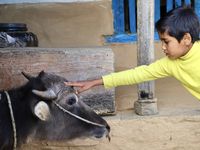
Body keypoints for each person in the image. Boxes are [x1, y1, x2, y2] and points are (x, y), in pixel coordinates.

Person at [65, 6, 200, 100]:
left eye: (167, 41)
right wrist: (95, 82)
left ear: (186, 39)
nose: (163, 47)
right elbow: (137, 74)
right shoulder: (170, 64)